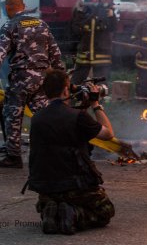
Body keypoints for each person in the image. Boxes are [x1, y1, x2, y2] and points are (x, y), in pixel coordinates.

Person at [0, 0, 64, 168]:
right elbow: (56, 54)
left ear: (8, 8)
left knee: (13, 117)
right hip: (41, 80)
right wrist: (61, 79)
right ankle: (55, 152)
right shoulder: (41, 24)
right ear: (23, 5)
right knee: (45, 116)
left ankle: (14, 157)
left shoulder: (11, 25)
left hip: (20, 81)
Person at [27, 69, 115, 235]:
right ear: (66, 90)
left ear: (45, 93)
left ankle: (52, 210)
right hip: (74, 185)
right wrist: (96, 105)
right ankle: (74, 214)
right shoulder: (78, 117)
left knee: (56, 202)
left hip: (45, 187)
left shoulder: (36, 118)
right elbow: (108, 134)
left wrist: (83, 108)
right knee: (105, 212)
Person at [70, 0, 117, 85]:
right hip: (85, 52)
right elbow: (75, 30)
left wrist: (112, 16)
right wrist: (78, 12)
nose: (96, 0)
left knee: (100, 80)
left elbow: (112, 28)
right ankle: (73, 96)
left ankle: (101, 98)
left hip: (101, 52)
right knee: (78, 78)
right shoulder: (82, 12)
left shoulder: (106, 11)